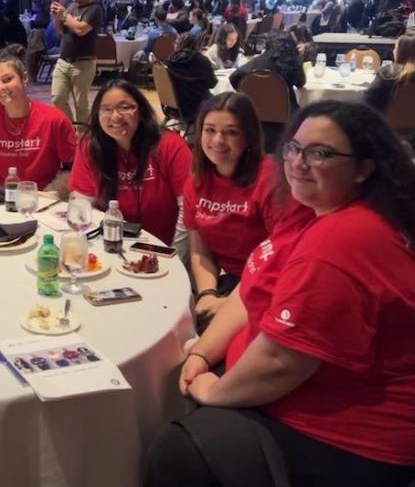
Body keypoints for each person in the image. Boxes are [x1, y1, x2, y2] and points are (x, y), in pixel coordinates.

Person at [145, 100, 415, 487]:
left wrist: (215, 391)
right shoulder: (313, 212)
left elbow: (281, 362)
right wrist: (204, 351)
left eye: (321, 153)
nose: (298, 163)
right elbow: (252, 287)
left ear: (364, 169)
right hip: (295, 386)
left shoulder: (341, 240)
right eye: (294, 147)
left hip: (351, 437)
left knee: (176, 454)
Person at [183, 92, 287, 330]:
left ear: (249, 138)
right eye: (210, 130)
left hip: (269, 286)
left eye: (231, 132)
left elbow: (283, 256)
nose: (218, 140)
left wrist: (232, 302)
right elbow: (200, 251)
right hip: (227, 282)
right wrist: (208, 294)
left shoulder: (270, 179)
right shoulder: (196, 181)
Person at [69, 80, 192, 253]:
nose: (116, 116)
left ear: (141, 110)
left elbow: (188, 209)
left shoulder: (170, 146)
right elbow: (82, 204)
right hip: (109, 247)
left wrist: (176, 254)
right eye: (107, 109)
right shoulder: (90, 148)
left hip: (163, 248)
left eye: (125, 107)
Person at [0, 46, 76, 190]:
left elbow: (72, 167)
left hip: (43, 197)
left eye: (7, 79)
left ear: (24, 78)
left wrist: (51, 194)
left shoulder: (54, 120)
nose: (1, 87)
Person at [50, 0, 103, 124]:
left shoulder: (95, 9)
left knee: (81, 106)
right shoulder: (72, 6)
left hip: (82, 65)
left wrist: (65, 15)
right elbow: (61, 31)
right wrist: (56, 18)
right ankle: (70, 130)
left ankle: (83, 139)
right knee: (57, 98)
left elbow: (81, 29)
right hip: (63, 62)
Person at [230, 32, 306, 110]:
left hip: (254, 112)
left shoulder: (258, 61)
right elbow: (300, 83)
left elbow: (234, 77)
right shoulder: (292, 63)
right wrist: (298, 58)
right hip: (285, 113)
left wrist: (248, 92)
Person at [166, 33, 217, 123]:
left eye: (175, 43)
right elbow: (213, 83)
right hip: (197, 104)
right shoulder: (202, 60)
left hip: (175, 106)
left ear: (178, 45)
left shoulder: (170, 62)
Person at [364, 33, 415, 112]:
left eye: (395, 48)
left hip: (385, 122)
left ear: (401, 51)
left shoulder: (387, 73)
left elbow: (367, 101)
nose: (393, 51)